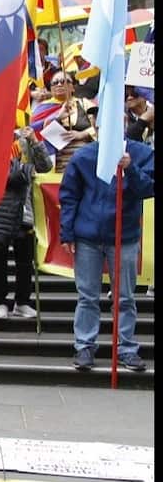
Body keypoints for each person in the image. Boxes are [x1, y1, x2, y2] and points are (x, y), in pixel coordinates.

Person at [60, 139, 154, 372]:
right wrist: (67, 232)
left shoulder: (141, 153)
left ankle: (127, 348)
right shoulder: (84, 156)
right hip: (88, 236)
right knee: (87, 296)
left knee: (125, 297)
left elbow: (149, 188)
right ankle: (84, 346)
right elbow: (69, 195)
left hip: (125, 236)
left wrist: (131, 167)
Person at [0, 128, 52, 320]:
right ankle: (0, 302)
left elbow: (45, 166)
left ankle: (22, 302)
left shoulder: (25, 141)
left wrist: (34, 141)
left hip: (25, 211)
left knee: (24, 261)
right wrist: (25, 172)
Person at [45, 71, 97, 173]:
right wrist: (58, 118)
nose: (59, 84)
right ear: (51, 89)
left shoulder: (85, 103)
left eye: (64, 81)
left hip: (85, 161)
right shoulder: (42, 109)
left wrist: (83, 134)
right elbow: (38, 135)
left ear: (73, 87)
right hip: (58, 165)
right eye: (55, 82)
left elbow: (100, 128)